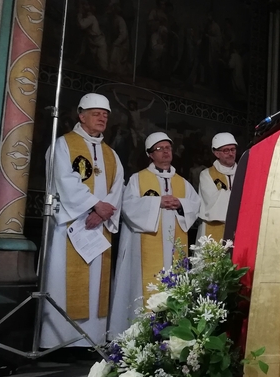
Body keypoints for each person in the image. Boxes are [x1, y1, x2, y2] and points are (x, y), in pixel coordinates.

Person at [40, 93, 124, 349]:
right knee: (64, 282)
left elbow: (118, 187)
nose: (102, 118)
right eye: (96, 113)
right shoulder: (63, 145)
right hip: (71, 226)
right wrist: (93, 205)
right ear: (81, 115)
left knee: (96, 285)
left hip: (98, 227)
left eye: (105, 115)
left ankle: (90, 341)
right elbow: (63, 180)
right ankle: (59, 341)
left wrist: (101, 212)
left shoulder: (111, 154)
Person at [109, 132, 199, 337]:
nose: (166, 152)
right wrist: (157, 202)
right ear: (150, 154)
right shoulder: (138, 179)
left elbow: (195, 205)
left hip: (173, 246)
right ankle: (140, 334)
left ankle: (173, 332)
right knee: (144, 288)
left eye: (168, 148)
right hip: (145, 248)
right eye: (160, 149)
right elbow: (128, 206)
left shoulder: (182, 182)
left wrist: (181, 204)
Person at [197, 132, 238, 240]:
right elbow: (212, 201)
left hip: (239, 228)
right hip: (212, 229)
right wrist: (239, 196)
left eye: (233, 149)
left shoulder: (244, 172)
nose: (230, 153)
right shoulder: (206, 174)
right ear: (216, 153)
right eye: (226, 150)